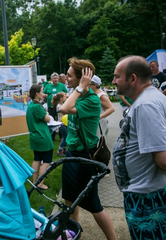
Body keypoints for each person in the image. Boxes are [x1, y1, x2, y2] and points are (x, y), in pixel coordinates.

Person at [112, 55, 166, 239]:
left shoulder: (146, 105)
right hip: (147, 193)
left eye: (117, 76)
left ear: (132, 78)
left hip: (147, 197)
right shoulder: (150, 99)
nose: (113, 81)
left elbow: (163, 159)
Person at [60, 57, 116, 240]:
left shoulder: (91, 100)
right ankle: (73, 233)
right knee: (69, 200)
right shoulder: (81, 96)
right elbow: (67, 106)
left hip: (86, 156)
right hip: (72, 153)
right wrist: (79, 88)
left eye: (69, 75)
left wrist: (81, 86)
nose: (66, 78)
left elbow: (64, 109)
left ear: (82, 78)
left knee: (93, 204)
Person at [26, 84, 54, 190]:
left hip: (34, 137)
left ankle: (35, 181)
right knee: (46, 161)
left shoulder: (30, 105)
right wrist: (46, 113)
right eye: (42, 92)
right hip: (42, 137)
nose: (44, 94)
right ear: (37, 93)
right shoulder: (38, 106)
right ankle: (40, 183)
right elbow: (47, 119)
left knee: (37, 159)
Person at [43, 72, 68, 139]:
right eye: (54, 78)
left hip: (59, 106)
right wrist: (45, 95)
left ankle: (61, 135)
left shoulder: (61, 85)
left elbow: (66, 93)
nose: (56, 79)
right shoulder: (48, 86)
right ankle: (52, 135)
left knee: (60, 120)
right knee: (51, 120)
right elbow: (43, 93)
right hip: (51, 106)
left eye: (57, 78)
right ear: (51, 79)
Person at [51, 92, 68, 156]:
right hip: (62, 124)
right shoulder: (59, 106)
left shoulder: (61, 105)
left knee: (65, 137)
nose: (65, 97)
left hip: (64, 124)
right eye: (64, 96)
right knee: (65, 138)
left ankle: (64, 150)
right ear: (61, 98)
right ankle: (59, 151)